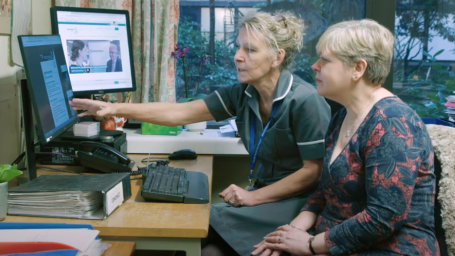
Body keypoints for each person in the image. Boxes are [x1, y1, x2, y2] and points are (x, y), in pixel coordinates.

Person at [70, 11, 331, 256]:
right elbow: (178, 114)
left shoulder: (306, 101)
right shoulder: (243, 93)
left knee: (202, 222)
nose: (238, 56)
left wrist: (253, 197)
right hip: (262, 199)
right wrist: (113, 108)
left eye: (250, 50)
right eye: (239, 47)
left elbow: (313, 172)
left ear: (277, 57)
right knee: (206, 248)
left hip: (297, 205)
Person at [252, 19, 439, 256]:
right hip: (331, 242)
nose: (314, 66)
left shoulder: (393, 122)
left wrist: (308, 245)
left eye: (325, 60)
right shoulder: (342, 116)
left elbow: (382, 219)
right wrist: (289, 232)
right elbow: (325, 191)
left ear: (358, 69)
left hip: (389, 249)